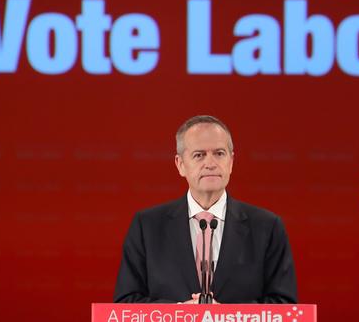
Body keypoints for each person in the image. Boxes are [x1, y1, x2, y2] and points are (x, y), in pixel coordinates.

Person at [114, 115, 297, 304]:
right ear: (180, 164)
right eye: (199, 155)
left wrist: (227, 317)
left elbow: (285, 305)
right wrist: (179, 314)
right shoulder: (147, 226)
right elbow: (125, 303)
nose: (210, 163)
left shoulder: (267, 227)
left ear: (231, 161)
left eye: (219, 153)